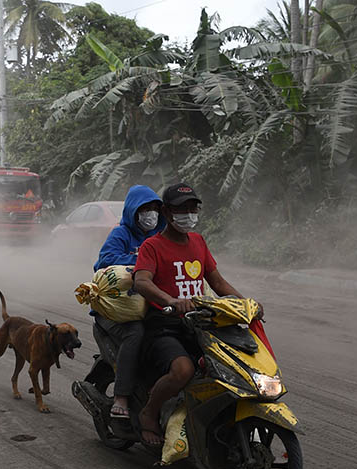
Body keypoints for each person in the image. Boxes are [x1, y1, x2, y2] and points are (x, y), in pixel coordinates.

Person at [133, 183, 263, 446]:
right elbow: (142, 282)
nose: (189, 214)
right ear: (167, 213)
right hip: (165, 324)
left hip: (200, 323)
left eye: (193, 208)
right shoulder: (152, 246)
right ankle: (149, 412)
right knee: (183, 370)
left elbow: (217, 282)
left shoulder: (198, 242)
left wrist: (246, 304)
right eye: (183, 209)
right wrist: (171, 300)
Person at [93, 185, 165, 419]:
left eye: (155, 208)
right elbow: (104, 262)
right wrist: (140, 261)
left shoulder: (161, 236)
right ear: (133, 211)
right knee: (135, 333)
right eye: (145, 209)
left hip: (150, 304)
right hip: (120, 310)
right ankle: (121, 396)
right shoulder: (120, 234)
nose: (151, 214)